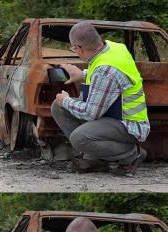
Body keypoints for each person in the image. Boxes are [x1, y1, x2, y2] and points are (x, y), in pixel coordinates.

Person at [51, 21, 149, 176]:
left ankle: (131, 155)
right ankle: (93, 158)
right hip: (116, 116)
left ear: (79, 48)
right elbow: (111, 79)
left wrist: (67, 100)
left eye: (73, 48)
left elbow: (91, 113)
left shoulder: (105, 70)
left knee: (79, 138)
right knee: (58, 106)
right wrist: (82, 74)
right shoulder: (115, 48)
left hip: (130, 124)